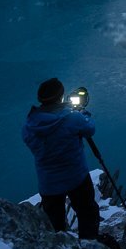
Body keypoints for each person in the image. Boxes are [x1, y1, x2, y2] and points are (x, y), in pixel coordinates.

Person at [22, 77, 100, 240]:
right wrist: (80, 112)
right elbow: (90, 128)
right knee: (87, 213)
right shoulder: (72, 119)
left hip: (48, 183)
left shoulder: (29, 126)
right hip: (76, 177)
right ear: (60, 97)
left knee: (54, 224)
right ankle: (89, 246)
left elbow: (37, 144)